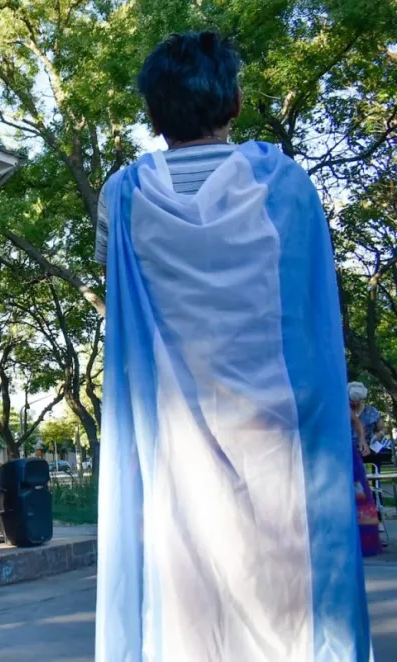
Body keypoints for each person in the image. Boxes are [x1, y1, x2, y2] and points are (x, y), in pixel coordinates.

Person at [95, 32, 372, 661]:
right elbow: (310, 315)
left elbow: (123, 302)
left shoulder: (124, 196)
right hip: (281, 441)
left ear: (154, 112)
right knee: (293, 597)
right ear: (235, 99)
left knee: (186, 598)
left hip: (174, 440)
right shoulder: (287, 185)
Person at [349, 382, 383, 558]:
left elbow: (361, 425)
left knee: (361, 491)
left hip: (366, 450)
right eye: (351, 400)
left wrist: (368, 439)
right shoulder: (341, 403)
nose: (354, 403)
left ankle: (372, 528)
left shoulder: (370, 411)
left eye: (357, 400)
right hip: (345, 449)